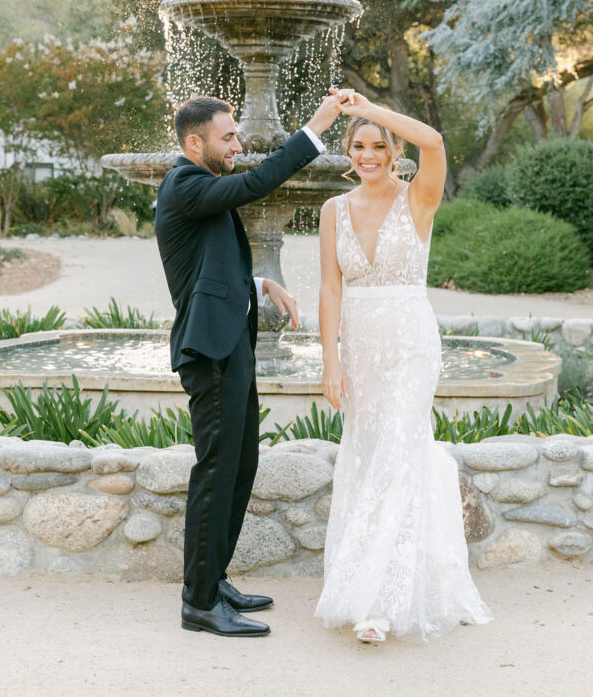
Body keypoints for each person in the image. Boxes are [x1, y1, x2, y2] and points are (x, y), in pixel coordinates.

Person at [154, 92, 342, 637]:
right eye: (228, 137)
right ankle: (199, 601)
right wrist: (317, 126)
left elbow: (206, 264)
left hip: (228, 340)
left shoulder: (198, 188)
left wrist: (259, 283)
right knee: (216, 471)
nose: (238, 145)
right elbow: (258, 185)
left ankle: (213, 579)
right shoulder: (184, 184)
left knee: (240, 464)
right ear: (196, 142)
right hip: (209, 348)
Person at [315, 89, 492, 644]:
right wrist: (330, 361)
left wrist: (366, 108)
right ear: (349, 153)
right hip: (361, 349)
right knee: (370, 459)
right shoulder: (332, 210)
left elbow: (435, 141)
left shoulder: (419, 199)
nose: (368, 155)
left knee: (396, 452)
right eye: (359, 145)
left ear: (394, 152)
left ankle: (380, 604)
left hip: (411, 344)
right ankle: (376, 582)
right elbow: (329, 287)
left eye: (378, 146)